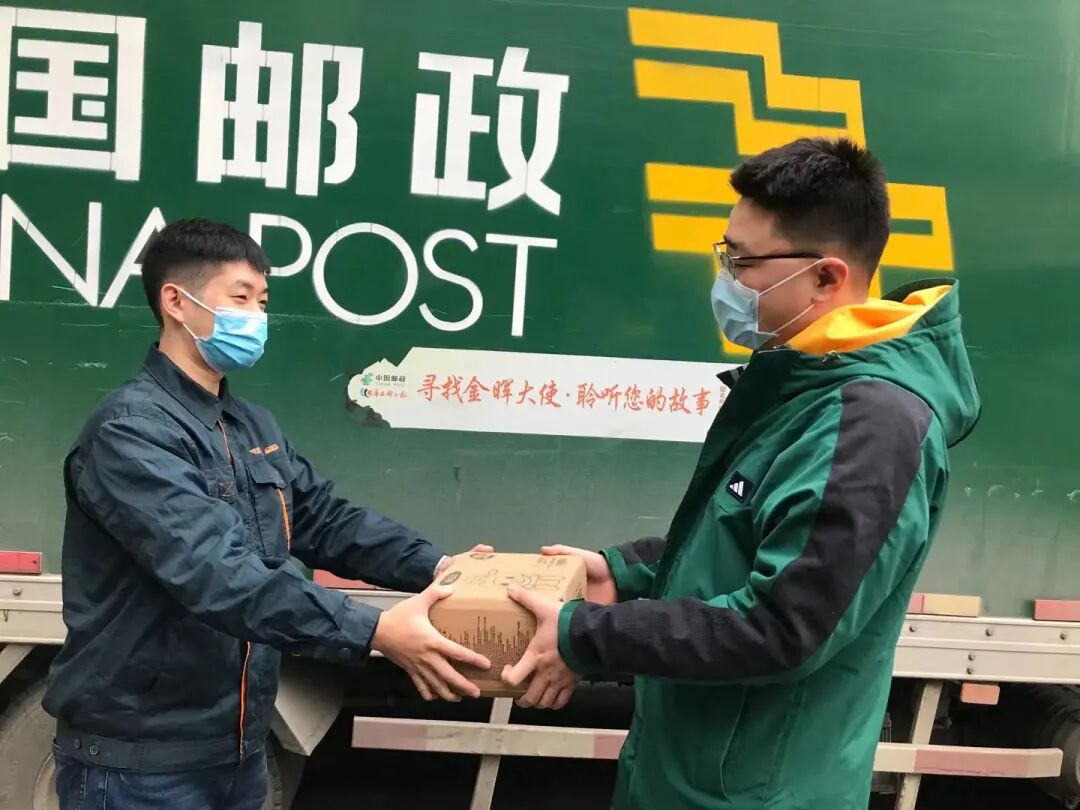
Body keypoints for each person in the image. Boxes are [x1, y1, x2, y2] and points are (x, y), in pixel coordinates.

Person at [503, 137, 981, 809]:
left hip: (752, 794)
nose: (725, 279)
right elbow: (745, 539)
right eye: (725, 255)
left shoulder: (870, 425)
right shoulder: (806, 384)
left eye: (742, 261)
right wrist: (625, 572)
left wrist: (586, 636)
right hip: (693, 778)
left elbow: (781, 627)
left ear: (826, 278)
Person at [44, 219, 491, 810]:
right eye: (240, 298)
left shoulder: (251, 425)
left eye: (262, 302)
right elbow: (216, 573)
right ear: (176, 301)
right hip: (141, 764)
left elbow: (326, 520)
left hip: (237, 753)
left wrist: (439, 567)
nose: (256, 317)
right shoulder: (130, 432)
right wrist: (373, 630)